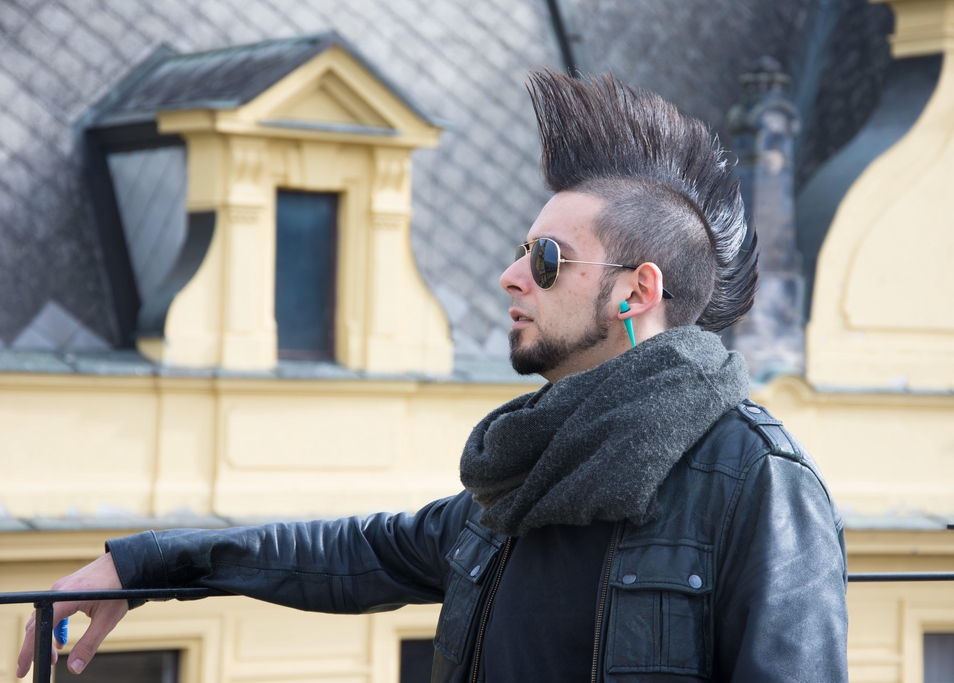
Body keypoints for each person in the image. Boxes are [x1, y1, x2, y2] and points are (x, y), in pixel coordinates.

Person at [18, 70, 848, 682]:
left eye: (546, 258)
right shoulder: (523, 473)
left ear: (637, 292)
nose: (511, 275)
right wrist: (147, 563)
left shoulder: (756, 481)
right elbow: (350, 554)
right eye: (523, 252)